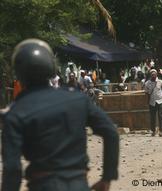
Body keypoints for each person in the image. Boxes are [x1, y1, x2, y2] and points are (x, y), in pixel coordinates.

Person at [1, 39, 119, 191]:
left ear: (19, 73)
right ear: (51, 67)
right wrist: (107, 177)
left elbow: (12, 169)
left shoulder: (16, 113)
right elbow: (111, 133)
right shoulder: (78, 99)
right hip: (79, 184)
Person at [144, 69, 162, 137]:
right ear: (150, 75)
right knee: (153, 117)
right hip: (152, 102)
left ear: (156, 75)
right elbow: (146, 94)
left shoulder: (160, 82)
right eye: (152, 75)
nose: (153, 76)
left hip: (160, 101)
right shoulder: (147, 83)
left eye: (154, 74)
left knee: (160, 116)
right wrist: (147, 102)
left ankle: (161, 131)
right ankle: (153, 131)